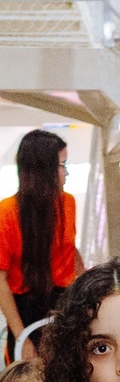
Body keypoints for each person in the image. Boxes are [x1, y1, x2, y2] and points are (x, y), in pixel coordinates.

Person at [0, 130, 84, 358]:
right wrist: (21, 336)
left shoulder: (67, 203)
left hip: (64, 305)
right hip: (25, 311)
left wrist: (89, 286)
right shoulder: (6, 212)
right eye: (62, 165)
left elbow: (70, 249)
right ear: (43, 169)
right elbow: (1, 281)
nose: (66, 173)